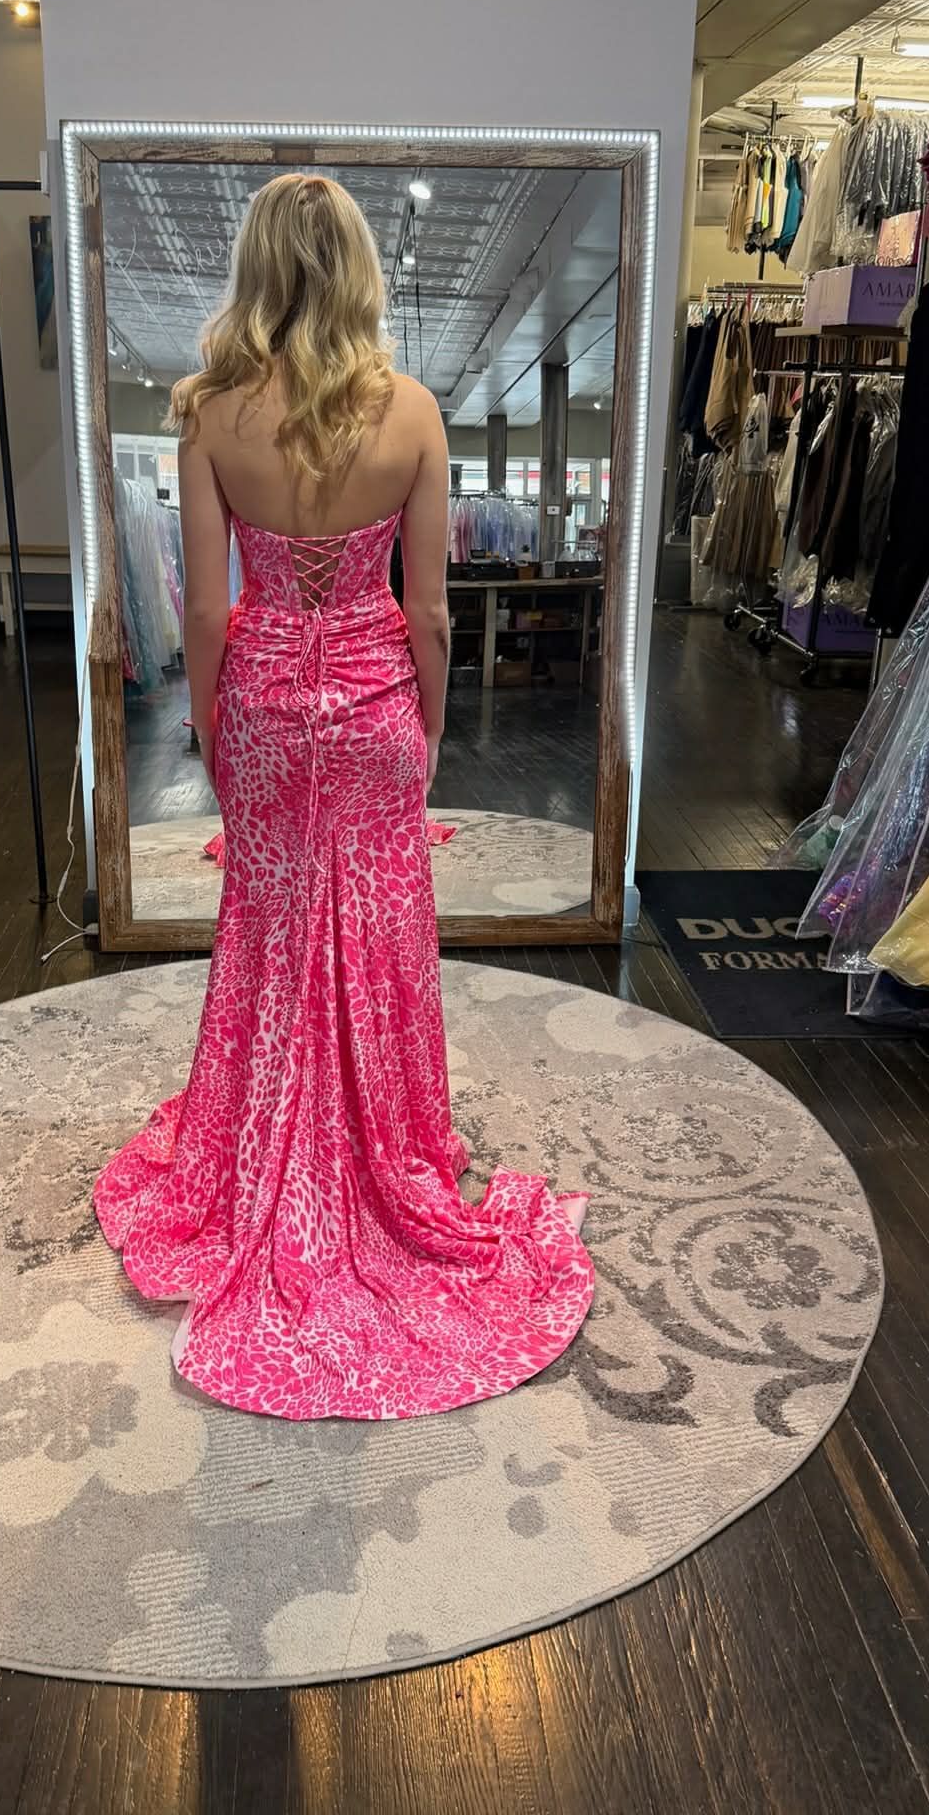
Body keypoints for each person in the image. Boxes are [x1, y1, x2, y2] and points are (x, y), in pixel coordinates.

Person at [92, 173, 593, 1421]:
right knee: (373, 931)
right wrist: (423, 729)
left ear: (257, 269)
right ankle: (389, 1146)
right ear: (362, 270)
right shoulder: (412, 413)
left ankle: (260, 1144)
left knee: (268, 924)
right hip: (371, 708)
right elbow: (427, 611)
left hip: (261, 703)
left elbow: (208, 609)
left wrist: (211, 725)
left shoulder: (208, 414)